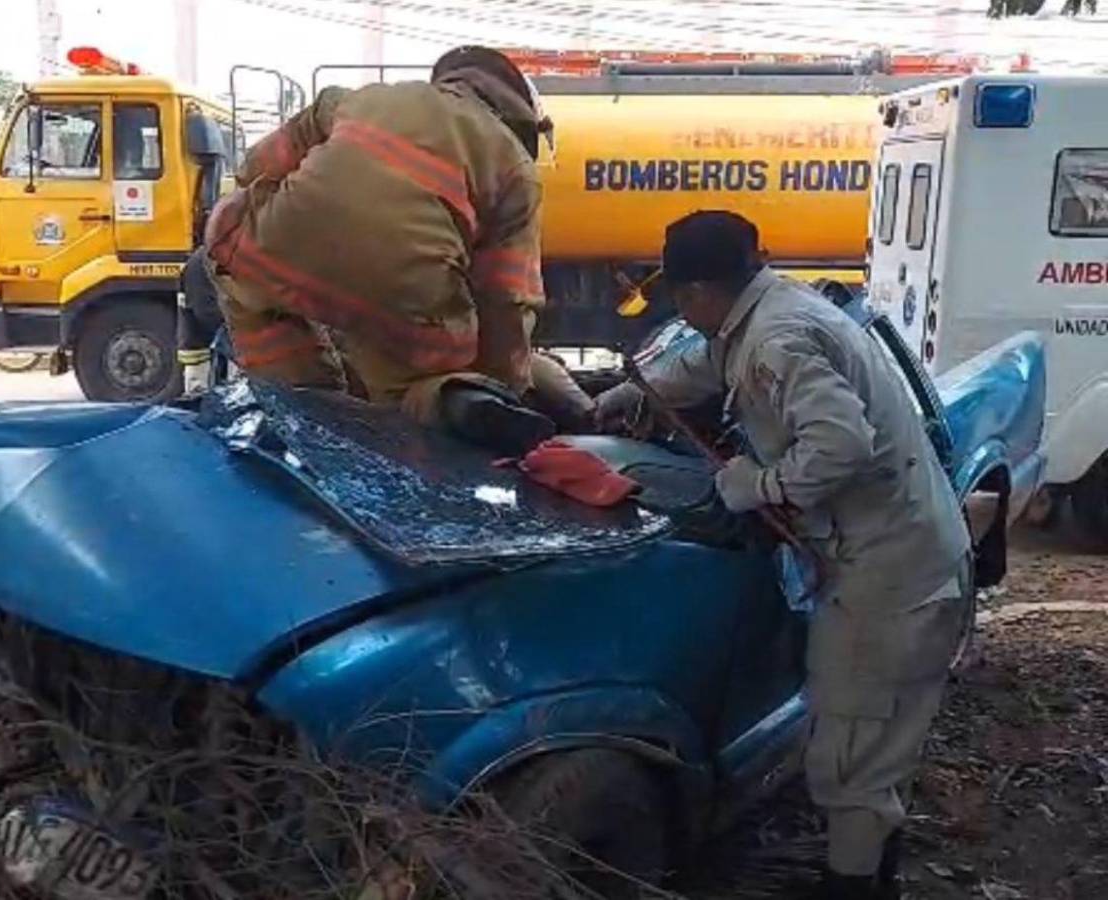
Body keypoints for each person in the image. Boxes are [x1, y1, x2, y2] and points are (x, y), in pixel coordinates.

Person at [596, 211, 970, 900]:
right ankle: (867, 868)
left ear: (699, 290)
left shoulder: (777, 338)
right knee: (870, 746)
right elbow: (708, 363)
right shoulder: (768, 309)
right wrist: (632, 393)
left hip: (891, 573)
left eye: (679, 297)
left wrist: (755, 484)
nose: (682, 310)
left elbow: (841, 446)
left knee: (851, 751)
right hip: (895, 553)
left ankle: (853, 887)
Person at [204, 46, 586, 453]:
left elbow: (259, 163)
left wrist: (278, 201)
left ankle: (303, 407)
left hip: (275, 250)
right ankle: (449, 403)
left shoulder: (368, 97)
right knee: (409, 384)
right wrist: (498, 385)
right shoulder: (516, 170)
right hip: (409, 292)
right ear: (519, 118)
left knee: (233, 263)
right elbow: (507, 297)